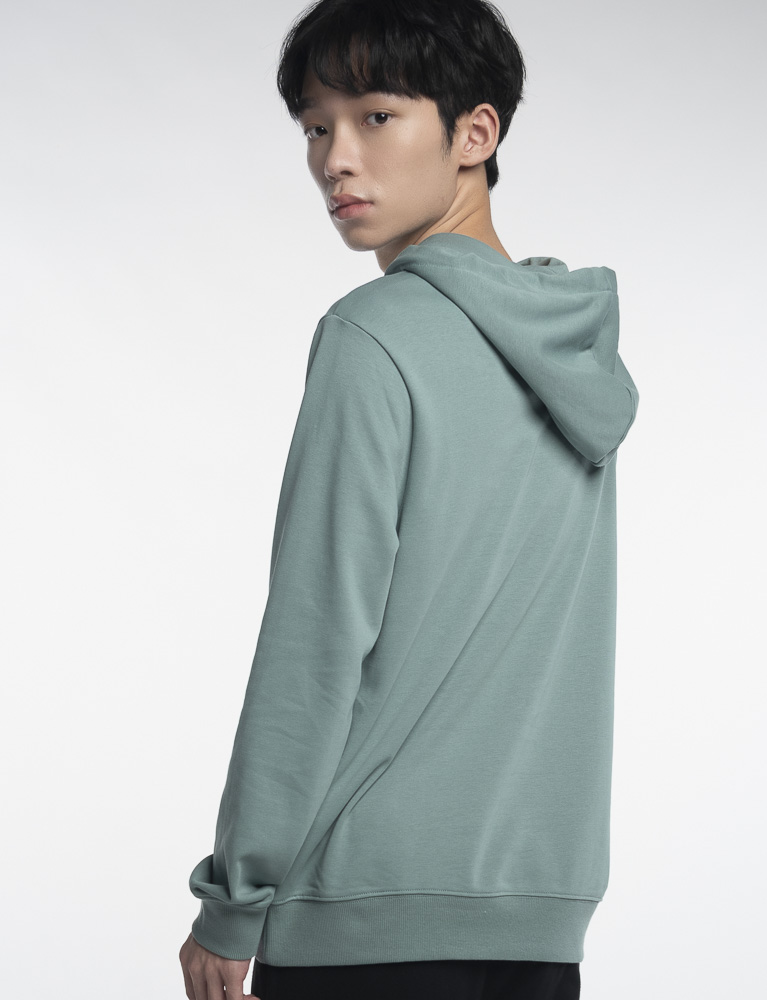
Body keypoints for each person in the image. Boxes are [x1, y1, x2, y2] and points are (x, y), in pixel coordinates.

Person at [179, 0, 640, 997]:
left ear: (474, 133)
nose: (335, 159)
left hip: (361, 916)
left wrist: (235, 896)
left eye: (376, 116)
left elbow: (315, 644)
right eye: (316, 126)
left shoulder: (373, 337)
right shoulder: (574, 352)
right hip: (537, 922)